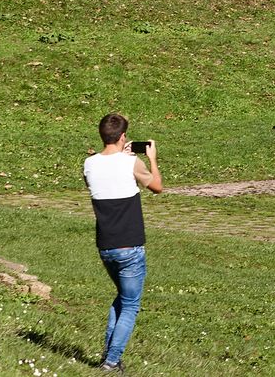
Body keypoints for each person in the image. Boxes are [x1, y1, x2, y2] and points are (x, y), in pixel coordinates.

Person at [82, 112, 163, 372]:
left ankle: (108, 355)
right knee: (131, 305)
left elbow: (98, 181)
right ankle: (112, 361)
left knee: (123, 298)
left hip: (105, 246)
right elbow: (157, 187)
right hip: (130, 246)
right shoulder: (132, 164)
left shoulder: (89, 164)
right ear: (123, 136)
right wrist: (151, 160)